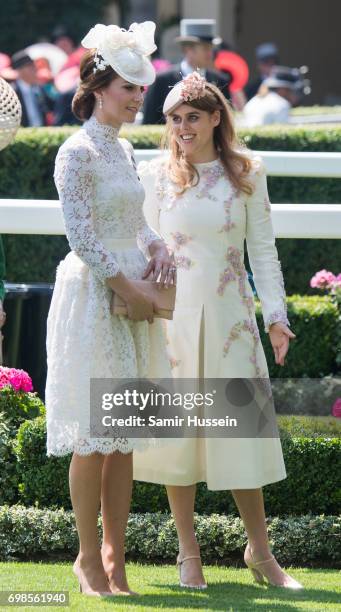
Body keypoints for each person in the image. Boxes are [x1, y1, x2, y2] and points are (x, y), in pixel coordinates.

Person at [134, 72, 303, 590]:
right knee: (174, 438)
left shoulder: (248, 171)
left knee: (242, 435)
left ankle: (261, 551)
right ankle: (189, 554)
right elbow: (143, 245)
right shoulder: (156, 174)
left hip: (231, 319)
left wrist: (277, 316)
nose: (183, 128)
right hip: (173, 321)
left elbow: (264, 251)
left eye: (193, 118)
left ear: (215, 119)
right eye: (175, 119)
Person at [45, 21, 175, 597]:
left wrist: (158, 245)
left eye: (141, 88)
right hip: (97, 297)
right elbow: (80, 235)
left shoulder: (123, 150)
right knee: (95, 438)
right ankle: (85, 558)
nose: (138, 96)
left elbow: (134, 222)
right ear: (100, 88)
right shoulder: (75, 151)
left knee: (123, 435)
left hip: (135, 298)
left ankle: (115, 558)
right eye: (130, 87)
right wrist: (125, 284)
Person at [142, 19, 231, 125]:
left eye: (211, 48)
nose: (210, 54)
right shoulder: (161, 80)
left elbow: (225, 122)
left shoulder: (220, 80)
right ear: (188, 49)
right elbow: (149, 122)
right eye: (205, 48)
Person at [242, 65, 311, 127]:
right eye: (290, 90)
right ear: (283, 89)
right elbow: (283, 135)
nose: (293, 95)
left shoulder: (253, 101)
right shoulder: (282, 105)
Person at [10, 51, 53, 127]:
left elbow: (52, 107)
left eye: (34, 65)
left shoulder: (39, 88)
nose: (35, 69)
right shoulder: (11, 93)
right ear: (19, 71)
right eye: (30, 66)